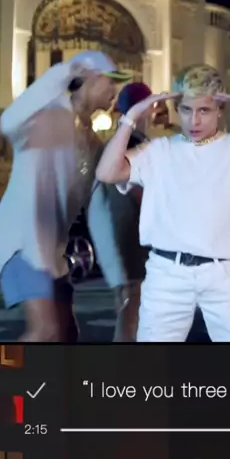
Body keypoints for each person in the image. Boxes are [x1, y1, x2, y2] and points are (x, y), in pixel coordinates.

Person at [96, 64, 230, 342]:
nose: (194, 121)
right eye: (186, 110)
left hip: (226, 273)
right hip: (168, 272)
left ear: (219, 110)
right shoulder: (159, 150)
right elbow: (106, 173)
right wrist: (130, 118)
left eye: (204, 110)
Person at [0, 51, 128, 342]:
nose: (115, 90)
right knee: (46, 331)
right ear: (88, 78)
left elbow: (98, 215)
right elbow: (8, 121)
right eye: (110, 81)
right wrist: (65, 72)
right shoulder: (46, 116)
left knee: (67, 333)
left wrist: (117, 280)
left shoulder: (94, 144)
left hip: (51, 250)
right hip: (19, 241)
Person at [90, 82, 154, 342]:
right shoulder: (132, 143)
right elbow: (139, 193)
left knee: (133, 310)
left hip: (124, 237)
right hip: (131, 238)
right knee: (132, 310)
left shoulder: (120, 142)